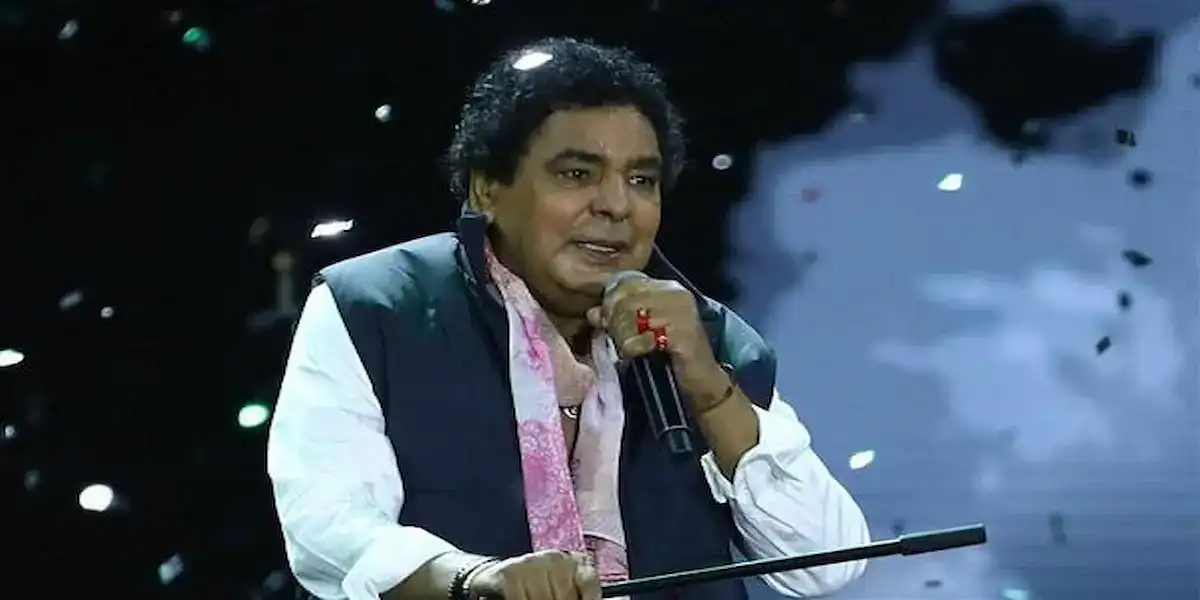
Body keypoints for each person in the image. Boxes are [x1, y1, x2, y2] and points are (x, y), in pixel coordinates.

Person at [267, 37, 870, 600]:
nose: (616, 205)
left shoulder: (706, 337)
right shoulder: (376, 307)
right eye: (577, 174)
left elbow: (825, 562)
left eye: (642, 179)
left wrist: (711, 393)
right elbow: (328, 525)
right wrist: (473, 580)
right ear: (487, 188)